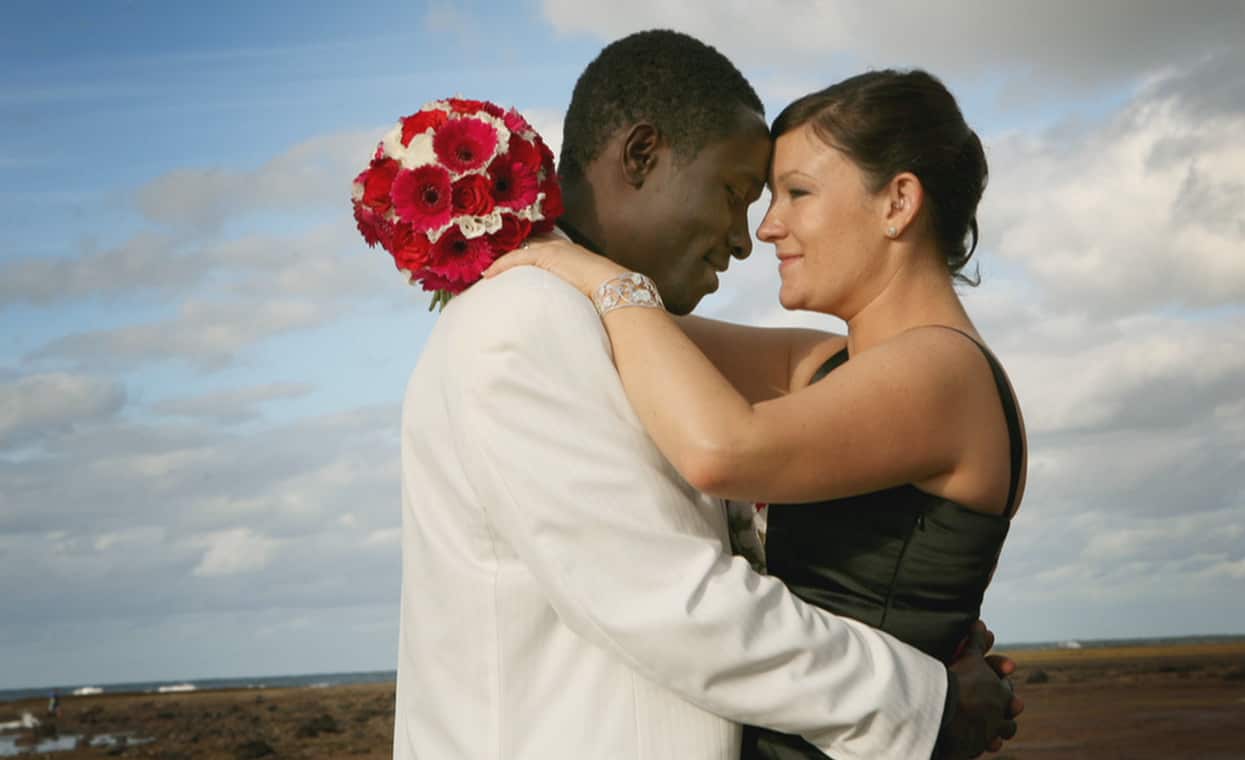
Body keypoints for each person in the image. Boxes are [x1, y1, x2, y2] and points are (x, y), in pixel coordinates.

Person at [394, 32, 1019, 760]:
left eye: (796, 193)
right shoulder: (530, 320)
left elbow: (719, 455)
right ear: (640, 155)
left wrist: (930, 631)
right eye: (739, 193)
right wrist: (928, 693)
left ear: (898, 203)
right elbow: (672, 603)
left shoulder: (935, 369)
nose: (757, 232)